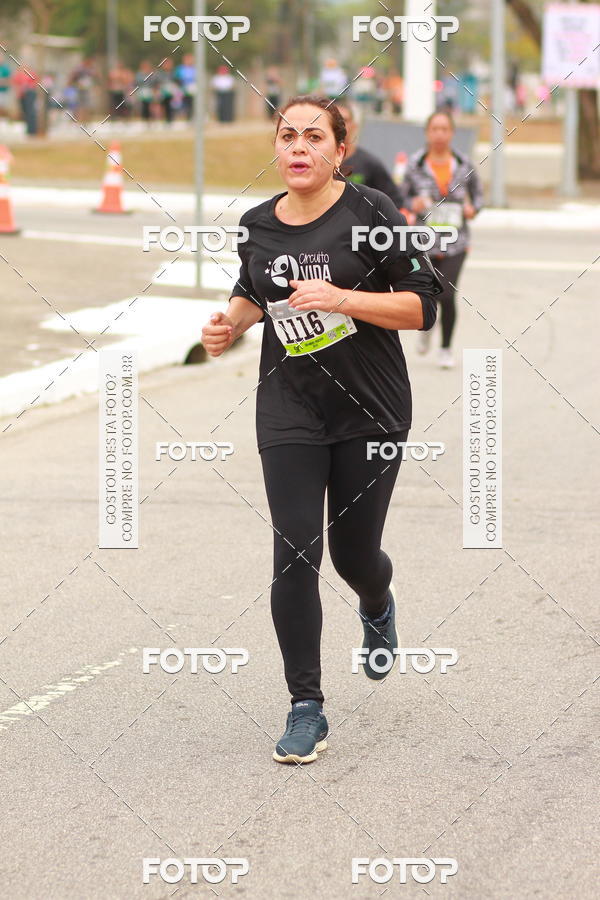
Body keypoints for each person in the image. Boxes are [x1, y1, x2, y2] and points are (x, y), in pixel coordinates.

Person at [200, 95, 441, 765]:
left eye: (314, 135)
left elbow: (422, 305)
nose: (298, 146)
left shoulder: (372, 215)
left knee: (352, 554)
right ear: (276, 148)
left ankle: (376, 598)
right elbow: (253, 292)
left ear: (340, 148)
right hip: (290, 407)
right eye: (287, 135)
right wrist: (230, 324)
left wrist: (342, 298)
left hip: (371, 410)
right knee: (297, 551)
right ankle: (306, 707)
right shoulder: (256, 225)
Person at [401, 110, 484, 368]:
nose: (439, 134)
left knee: (447, 294)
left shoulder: (464, 165)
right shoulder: (414, 165)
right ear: (427, 133)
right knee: (426, 292)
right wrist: (412, 203)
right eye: (434, 129)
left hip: (456, 242)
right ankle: (427, 327)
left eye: (444, 129)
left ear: (451, 133)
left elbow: (479, 196)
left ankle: (446, 348)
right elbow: (401, 197)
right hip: (424, 241)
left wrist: (473, 209)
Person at [336, 101, 404, 208]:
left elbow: (395, 202)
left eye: (344, 120)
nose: (339, 125)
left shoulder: (370, 164)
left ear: (354, 126)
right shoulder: (317, 162)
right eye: (335, 120)